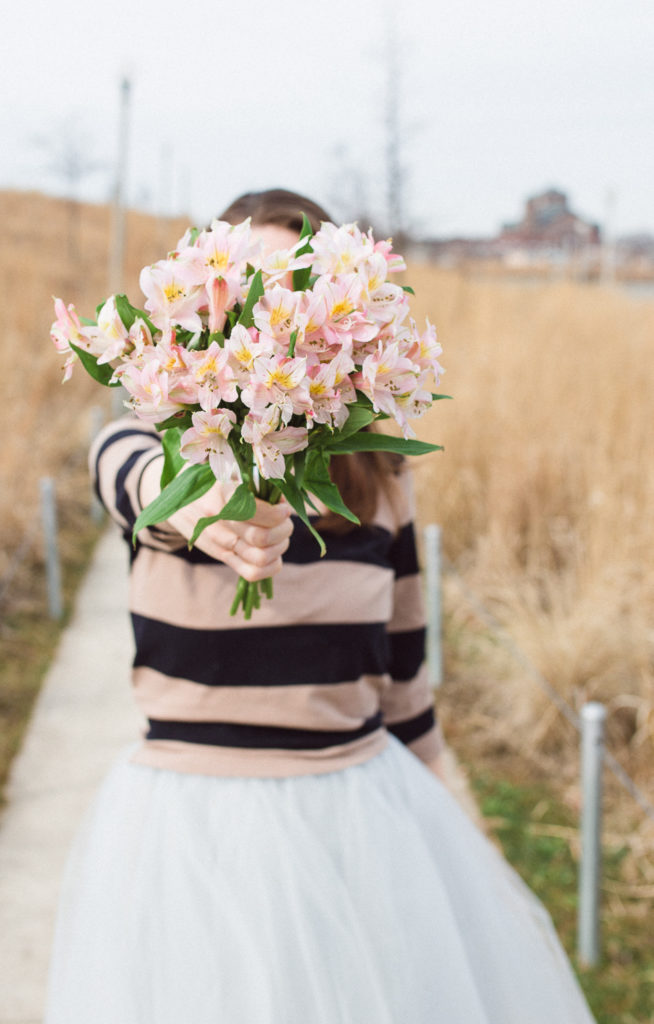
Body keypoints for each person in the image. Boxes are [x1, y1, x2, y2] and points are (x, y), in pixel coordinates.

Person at [44, 189, 596, 1023]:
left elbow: (403, 670)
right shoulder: (167, 443)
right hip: (190, 827)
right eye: (247, 283)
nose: (270, 309)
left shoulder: (381, 477)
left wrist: (449, 819)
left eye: (295, 283)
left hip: (357, 810)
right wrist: (200, 509)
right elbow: (121, 471)